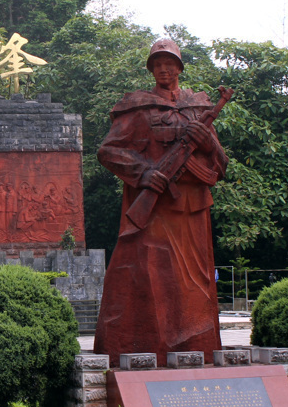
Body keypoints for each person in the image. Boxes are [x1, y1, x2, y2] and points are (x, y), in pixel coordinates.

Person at [93, 39, 229, 365]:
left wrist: (208, 142)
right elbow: (108, 151)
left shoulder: (199, 107)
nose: (164, 69)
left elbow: (220, 166)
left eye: (170, 63)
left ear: (180, 67)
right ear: (151, 69)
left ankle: (195, 351)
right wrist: (143, 173)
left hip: (192, 211)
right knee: (153, 278)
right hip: (155, 212)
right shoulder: (138, 107)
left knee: (194, 288)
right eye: (157, 64)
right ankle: (146, 353)